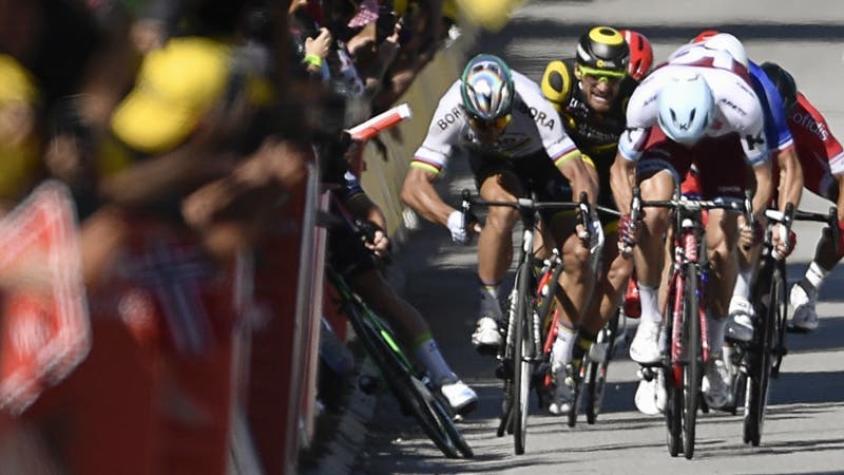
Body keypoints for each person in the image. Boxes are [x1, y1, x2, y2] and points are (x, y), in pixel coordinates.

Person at [401, 54, 597, 415]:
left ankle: (562, 359)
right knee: (502, 209)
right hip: (494, 165)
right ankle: (489, 308)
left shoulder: (531, 102)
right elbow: (413, 186)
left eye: (500, 120)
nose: (492, 129)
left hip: (541, 160)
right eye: (481, 122)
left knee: (578, 255)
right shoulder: (452, 107)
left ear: (510, 104)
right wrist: (448, 218)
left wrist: (586, 215)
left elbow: (577, 172)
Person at [610, 37, 774, 410]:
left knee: (722, 241)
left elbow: (763, 179)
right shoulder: (647, 98)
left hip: (724, 144)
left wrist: (753, 216)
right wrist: (628, 216)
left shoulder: (742, 105)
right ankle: (651, 320)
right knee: (652, 211)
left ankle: (714, 350)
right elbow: (621, 169)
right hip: (668, 138)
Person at [325, 142, 479, 413]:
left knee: (380, 295)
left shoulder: (329, 163)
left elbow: (367, 207)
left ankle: (445, 378)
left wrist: (378, 234)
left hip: (334, 231)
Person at [539, 26, 649, 397]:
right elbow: (536, 149)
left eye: (613, 79)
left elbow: (627, 169)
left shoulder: (632, 101)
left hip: (608, 176)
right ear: (580, 72)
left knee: (622, 261)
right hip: (558, 171)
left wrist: (631, 220)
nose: (604, 87)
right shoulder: (558, 80)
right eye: (596, 77)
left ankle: (577, 348)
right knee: (546, 239)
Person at [757, 62, 844, 331]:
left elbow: (841, 172)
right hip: (756, 159)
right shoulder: (741, 105)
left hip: (801, 161)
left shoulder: (807, 118)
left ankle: (807, 289)